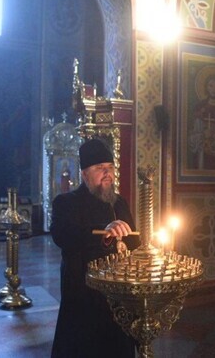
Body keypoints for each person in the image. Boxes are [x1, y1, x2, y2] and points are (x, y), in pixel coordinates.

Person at [50, 138, 139, 358]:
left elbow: (134, 241)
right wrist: (105, 230)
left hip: (117, 289)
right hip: (83, 288)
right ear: (84, 174)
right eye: (99, 169)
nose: (107, 173)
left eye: (110, 168)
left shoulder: (119, 203)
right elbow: (63, 236)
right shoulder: (66, 202)